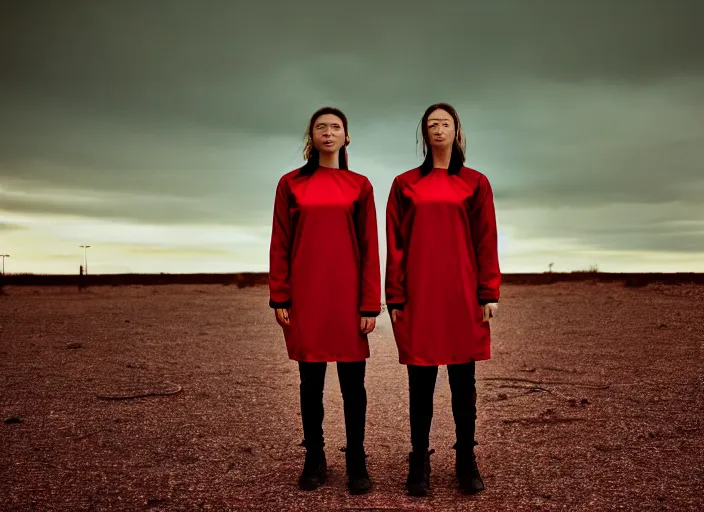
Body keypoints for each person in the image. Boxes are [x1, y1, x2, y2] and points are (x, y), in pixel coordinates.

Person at [385, 103, 501, 496]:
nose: (438, 130)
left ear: (457, 131)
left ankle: (466, 460)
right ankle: (419, 461)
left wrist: (489, 291)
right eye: (431, 124)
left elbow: (486, 240)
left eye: (445, 124)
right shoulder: (404, 184)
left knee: (462, 381)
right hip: (419, 294)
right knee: (420, 381)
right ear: (424, 133)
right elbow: (395, 245)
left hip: (461, 293)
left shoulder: (475, 183)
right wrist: (395, 297)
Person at [269, 106, 381, 495]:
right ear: (311, 137)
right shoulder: (290, 184)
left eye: (336, 127)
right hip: (306, 297)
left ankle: (356, 460)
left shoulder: (360, 186)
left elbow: (370, 248)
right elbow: (280, 242)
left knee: (354, 386)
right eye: (321, 128)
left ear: (346, 137)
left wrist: (370, 304)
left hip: (349, 299)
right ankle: (314, 457)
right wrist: (279, 294)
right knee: (310, 383)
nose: (328, 133)